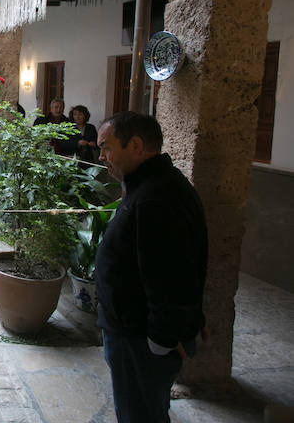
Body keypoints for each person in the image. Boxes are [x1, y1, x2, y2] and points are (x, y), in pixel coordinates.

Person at [95, 112, 207, 423]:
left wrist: (162, 340)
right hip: (133, 333)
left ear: (136, 145)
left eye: (106, 147)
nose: (101, 157)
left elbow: (171, 275)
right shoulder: (152, 185)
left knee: (140, 414)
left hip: (140, 340)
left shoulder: (156, 198)